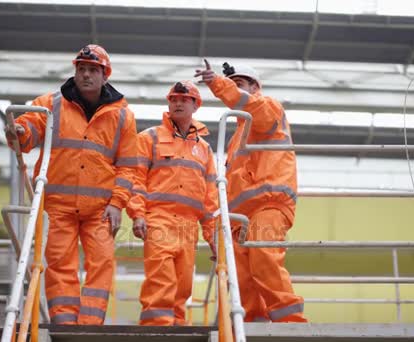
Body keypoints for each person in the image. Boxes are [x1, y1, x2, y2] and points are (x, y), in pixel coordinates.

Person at [4, 44, 137, 325]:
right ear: (75, 72)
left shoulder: (123, 115)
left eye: (92, 70)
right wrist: (19, 131)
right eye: (81, 69)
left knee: (101, 263)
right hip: (57, 206)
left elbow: (129, 166)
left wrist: (117, 204)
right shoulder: (50, 103)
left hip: (101, 209)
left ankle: (90, 328)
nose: (86, 75)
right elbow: (28, 130)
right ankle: (64, 324)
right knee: (59, 264)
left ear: (105, 75)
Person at [194, 61, 307, 322]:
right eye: (233, 85)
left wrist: (219, 83)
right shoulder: (237, 136)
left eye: (240, 85)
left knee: (264, 259)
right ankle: (251, 324)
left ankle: (291, 324)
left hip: (269, 203)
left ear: (255, 88)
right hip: (239, 216)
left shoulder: (268, 108)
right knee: (241, 275)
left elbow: (251, 106)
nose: (236, 91)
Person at [126, 80, 218, 326]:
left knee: (183, 283)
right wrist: (138, 214)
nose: (177, 103)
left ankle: (177, 327)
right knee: (161, 279)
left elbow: (210, 198)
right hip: (158, 219)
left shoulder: (205, 150)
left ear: (195, 105)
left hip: (189, 227)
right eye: (174, 99)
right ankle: (157, 328)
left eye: (184, 99)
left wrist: (213, 238)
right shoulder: (149, 138)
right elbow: (136, 179)